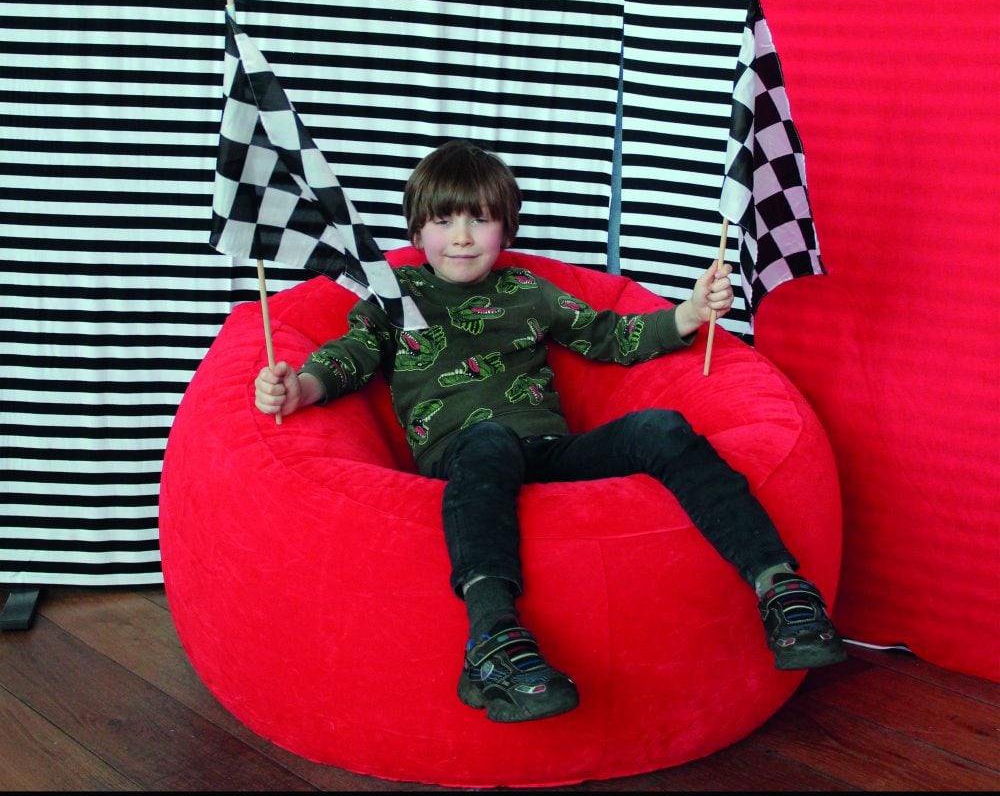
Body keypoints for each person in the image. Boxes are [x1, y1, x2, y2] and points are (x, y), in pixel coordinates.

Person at [254, 138, 846, 724]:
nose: (461, 236)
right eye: (443, 220)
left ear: (505, 231)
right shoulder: (391, 296)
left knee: (663, 427)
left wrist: (690, 314)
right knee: (490, 440)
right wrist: (298, 388)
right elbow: (347, 358)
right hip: (465, 457)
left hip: (547, 450)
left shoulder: (527, 292)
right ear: (417, 232)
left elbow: (610, 336)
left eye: (480, 220)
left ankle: (781, 589)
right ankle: (492, 638)